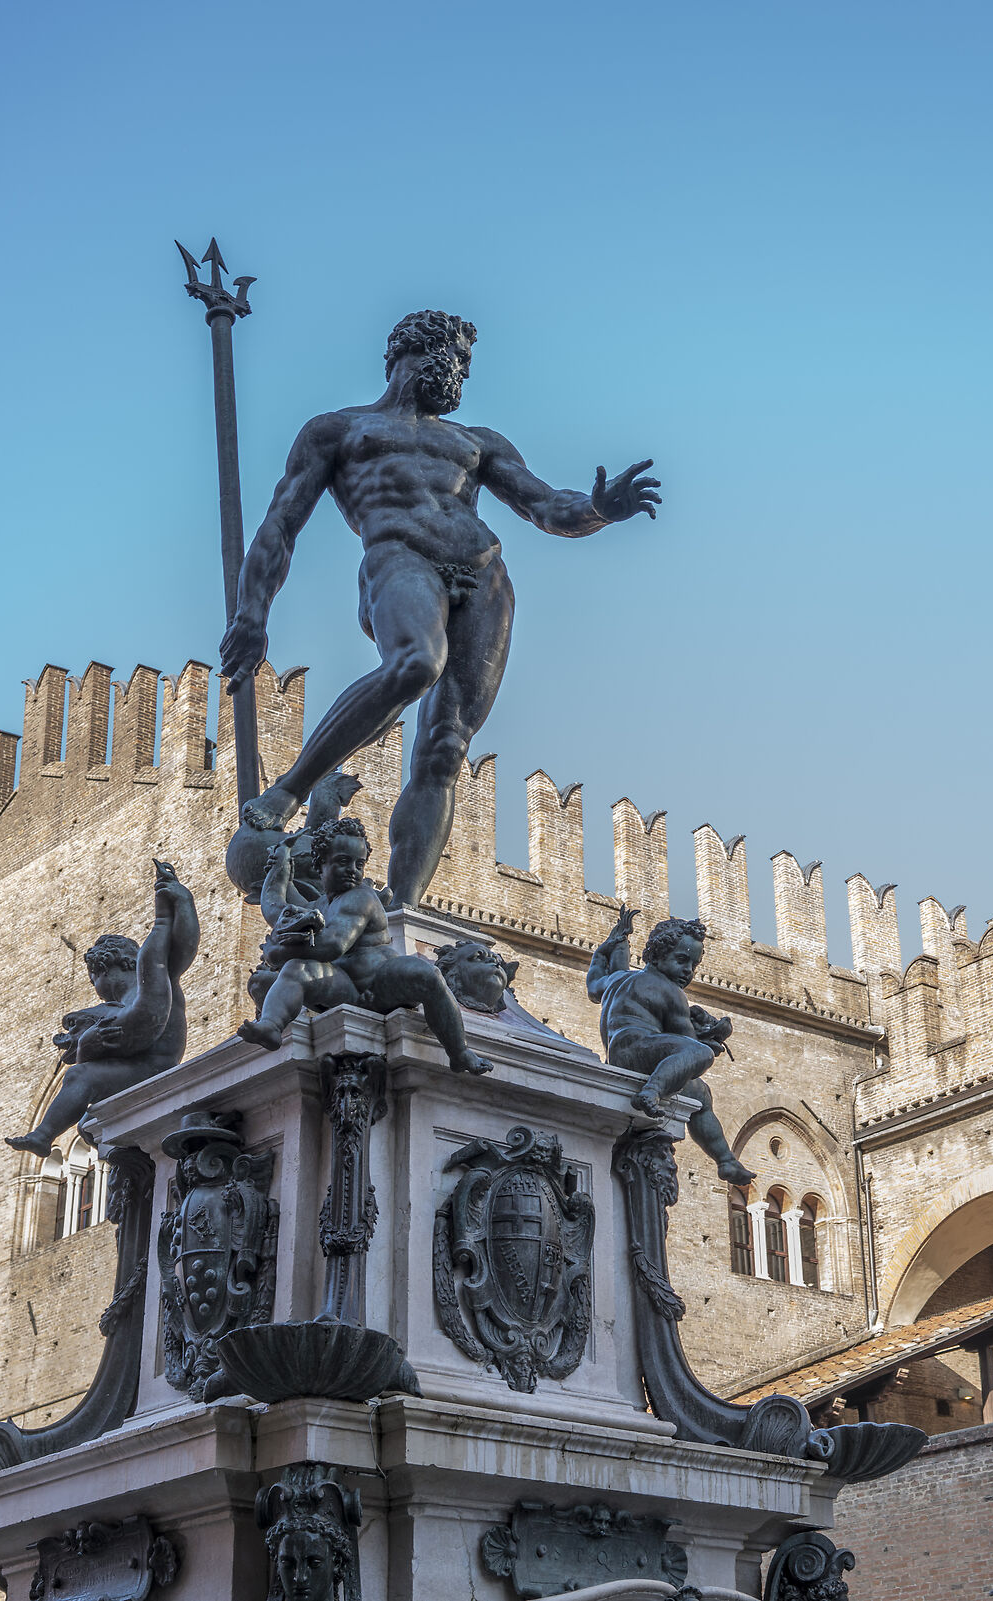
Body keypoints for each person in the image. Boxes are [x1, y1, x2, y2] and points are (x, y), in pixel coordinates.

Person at [219, 309, 661, 908]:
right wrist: (253, 613)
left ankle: (403, 913)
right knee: (415, 663)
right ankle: (290, 792)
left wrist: (600, 510)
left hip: (485, 579)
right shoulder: (338, 431)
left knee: (446, 745)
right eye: (458, 360)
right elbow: (281, 524)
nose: (462, 376)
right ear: (417, 352)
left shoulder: (477, 443)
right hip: (399, 560)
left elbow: (548, 507)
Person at [235, 818, 489, 1076]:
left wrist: (279, 952)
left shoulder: (360, 897)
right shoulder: (320, 906)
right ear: (320, 864)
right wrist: (279, 869)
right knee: (296, 970)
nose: (353, 870)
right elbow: (276, 909)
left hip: (381, 981)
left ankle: (459, 1052)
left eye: (359, 864)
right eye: (343, 862)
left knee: (427, 974)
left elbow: (333, 946)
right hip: (346, 987)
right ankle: (270, 1025)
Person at [7, 860, 196, 1154]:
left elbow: (184, 944)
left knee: (80, 1077)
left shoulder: (155, 975)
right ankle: (47, 1135)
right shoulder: (130, 996)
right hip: (140, 1067)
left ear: (109, 969)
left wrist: (179, 900)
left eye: (94, 978)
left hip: (155, 1067)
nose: (96, 988)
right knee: (87, 1120)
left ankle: (43, 1136)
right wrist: (86, 1046)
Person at [586, 907, 754, 1183]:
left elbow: (593, 983)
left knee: (699, 1095)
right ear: (658, 955)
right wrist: (712, 1038)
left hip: (623, 1054)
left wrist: (605, 949)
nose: (688, 971)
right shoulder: (670, 992)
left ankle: (725, 1161)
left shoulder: (618, 979)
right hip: (641, 1051)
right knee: (699, 1054)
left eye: (693, 965)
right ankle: (652, 1092)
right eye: (681, 960)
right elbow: (688, 1045)